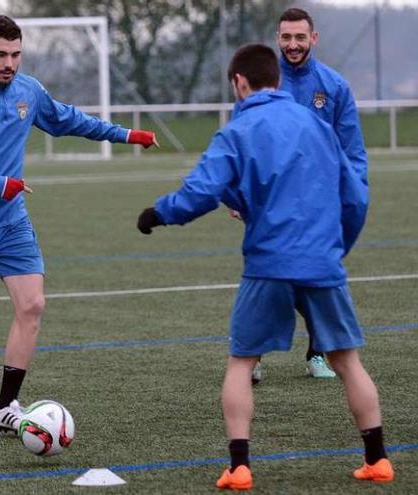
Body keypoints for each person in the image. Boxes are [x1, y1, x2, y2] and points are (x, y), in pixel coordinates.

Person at [137, 43, 392, 489]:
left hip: (269, 265)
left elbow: (201, 192)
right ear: (276, 79)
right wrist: (336, 248)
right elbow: (355, 197)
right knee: (348, 361)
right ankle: (378, 459)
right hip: (321, 262)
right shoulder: (316, 123)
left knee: (241, 363)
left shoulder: (238, 130)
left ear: (239, 83)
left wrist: (158, 213)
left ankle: (239, 468)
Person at [0, 14, 160, 435]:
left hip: (10, 223)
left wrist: (126, 135)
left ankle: (4, 407)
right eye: (1, 54)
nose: (10, 63)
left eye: (16, 54)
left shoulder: (28, 91)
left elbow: (70, 120)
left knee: (32, 305)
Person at [241, 7, 369, 382]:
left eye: (300, 37)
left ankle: (317, 354)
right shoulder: (263, 83)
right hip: (271, 204)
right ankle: (254, 358)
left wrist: (354, 193)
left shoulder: (334, 86)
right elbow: (244, 139)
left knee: (314, 279)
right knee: (268, 278)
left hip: (318, 204)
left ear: (313, 39)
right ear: (277, 38)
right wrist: (239, 193)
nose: (292, 45)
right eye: (286, 37)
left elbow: (352, 151)